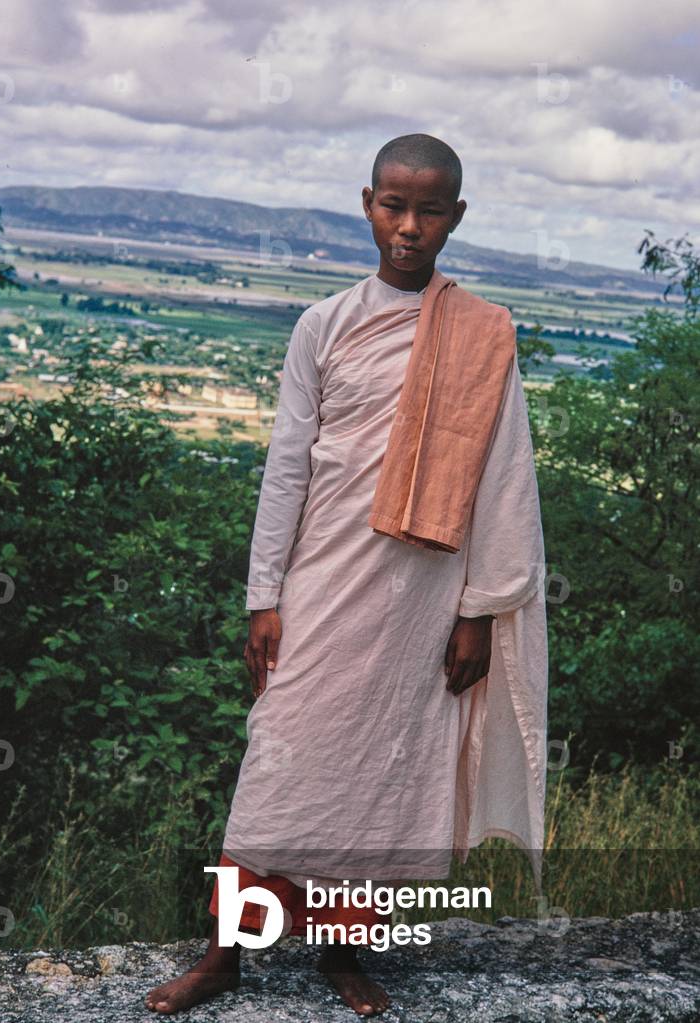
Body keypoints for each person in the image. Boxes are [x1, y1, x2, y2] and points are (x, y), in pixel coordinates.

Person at [145, 133, 548, 1017]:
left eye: (429, 209)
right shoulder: (323, 325)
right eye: (393, 206)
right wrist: (264, 595)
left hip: (426, 598)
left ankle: (342, 956)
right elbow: (287, 468)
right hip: (324, 580)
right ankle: (223, 954)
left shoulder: (483, 337)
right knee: (279, 759)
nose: (409, 227)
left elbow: (502, 479)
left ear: (457, 217)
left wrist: (480, 611)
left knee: (385, 774)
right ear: (367, 203)